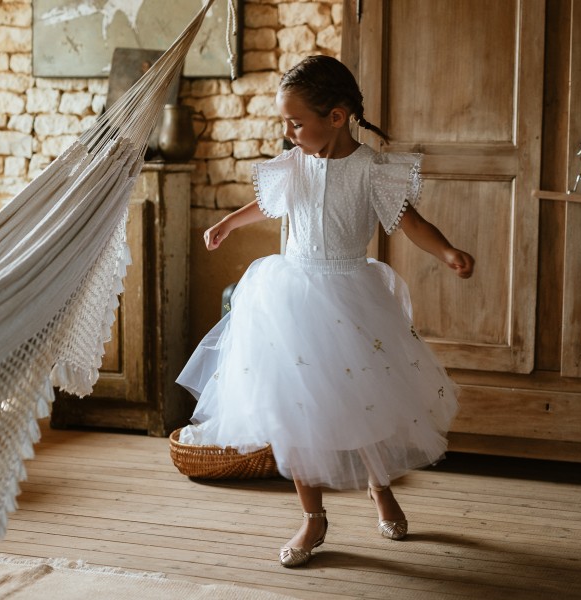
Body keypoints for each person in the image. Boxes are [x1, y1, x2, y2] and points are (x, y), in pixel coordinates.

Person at [176, 55, 475, 568]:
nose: (288, 132)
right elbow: (269, 207)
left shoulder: (373, 171)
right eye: (284, 122)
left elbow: (411, 223)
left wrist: (446, 251)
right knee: (296, 409)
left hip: (350, 295)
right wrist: (229, 222)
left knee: (361, 400)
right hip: (289, 297)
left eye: (296, 122)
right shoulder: (292, 165)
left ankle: (380, 487)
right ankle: (313, 518)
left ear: (336, 117)